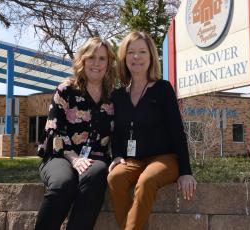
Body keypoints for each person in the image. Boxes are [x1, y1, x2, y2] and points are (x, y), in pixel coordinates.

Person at [107, 31, 197, 230]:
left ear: (151, 57)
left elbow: (177, 131)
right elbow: (117, 132)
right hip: (133, 160)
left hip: (164, 159)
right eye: (131, 52)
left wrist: (185, 171)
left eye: (142, 52)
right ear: (124, 57)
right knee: (115, 178)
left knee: (147, 181)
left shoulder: (163, 89)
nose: (136, 57)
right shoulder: (118, 95)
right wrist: (117, 155)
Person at [35, 37, 116, 230]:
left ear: (108, 63)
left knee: (96, 174)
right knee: (64, 183)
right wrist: (74, 159)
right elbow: (54, 128)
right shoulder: (66, 90)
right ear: (83, 60)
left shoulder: (113, 97)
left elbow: (120, 131)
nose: (97, 63)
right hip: (60, 155)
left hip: (94, 159)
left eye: (102, 58)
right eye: (92, 57)